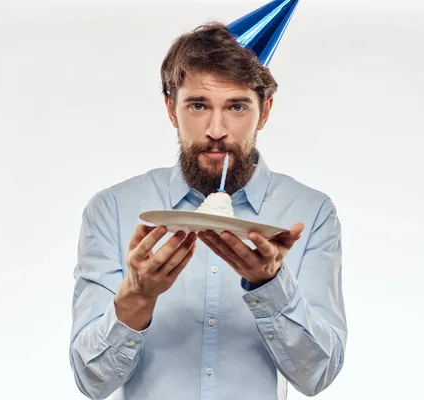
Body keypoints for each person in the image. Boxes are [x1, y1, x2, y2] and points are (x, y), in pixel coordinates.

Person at [69, 4, 347, 399]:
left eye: (236, 106)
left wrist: (270, 284)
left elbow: (318, 375)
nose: (216, 130)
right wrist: (137, 295)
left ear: (264, 112)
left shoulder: (311, 213)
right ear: (171, 109)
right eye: (198, 105)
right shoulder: (112, 209)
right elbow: (91, 381)